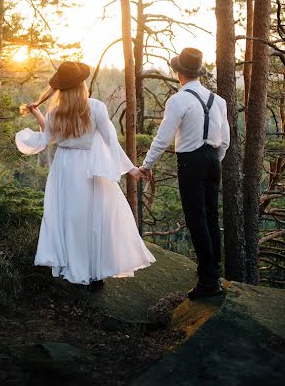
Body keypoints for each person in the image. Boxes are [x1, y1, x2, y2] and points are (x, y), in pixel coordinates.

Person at [15, 60, 156, 289]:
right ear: (81, 85)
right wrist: (131, 169)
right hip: (90, 167)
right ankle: (94, 273)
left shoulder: (55, 111)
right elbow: (111, 141)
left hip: (64, 167)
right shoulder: (96, 107)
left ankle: (73, 266)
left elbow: (46, 139)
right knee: (94, 218)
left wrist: (37, 116)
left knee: (70, 218)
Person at [139, 48, 230, 300]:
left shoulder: (178, 100)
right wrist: (214, 160)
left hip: (191, 161)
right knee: (211, 216)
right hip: (213, 159)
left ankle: (208, 281)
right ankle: (213, 274)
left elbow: (163, 138)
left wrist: (147, 165)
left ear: (178, 72)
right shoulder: (218, 101)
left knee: (196, 218)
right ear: (197, 73)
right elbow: (225, 140)